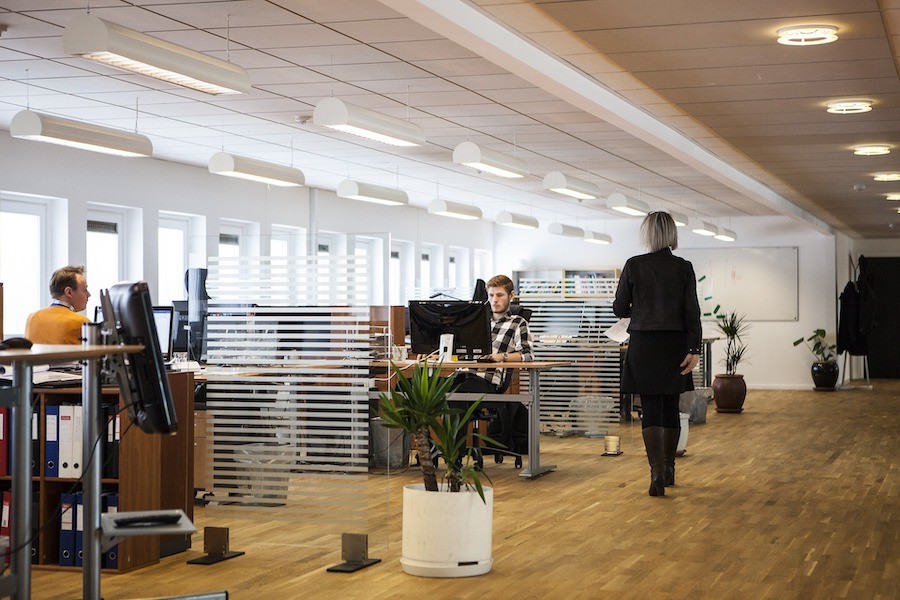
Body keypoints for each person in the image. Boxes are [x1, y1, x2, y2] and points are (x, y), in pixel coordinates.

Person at [613, 212, 701, 497]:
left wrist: (636, 310)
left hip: (644, 344)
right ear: (672, 235)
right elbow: (692, 313)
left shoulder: (634, 265)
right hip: (674, 344)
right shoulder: (684, 268)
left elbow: (618, 308)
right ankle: (669, 468)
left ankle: (656, 473)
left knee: (650, 409)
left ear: (647, 234)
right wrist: (695, 349)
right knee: (671, 407)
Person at [455, 274, 534, 458]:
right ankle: (431, 453)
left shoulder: (517, 323)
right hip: (463, 374)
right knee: (431, 391)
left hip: (487, 380)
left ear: (511, 295)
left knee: (457, 396)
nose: (494, 300)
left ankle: (455, 459)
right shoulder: (475, 322)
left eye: (499, 295)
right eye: (491, 296)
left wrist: (501, 357)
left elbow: (528, 355)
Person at [24, 265, 92, 345]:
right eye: (85, 290)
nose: (89, 294)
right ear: (69, 292)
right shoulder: (82, 324)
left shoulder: (31, 318)